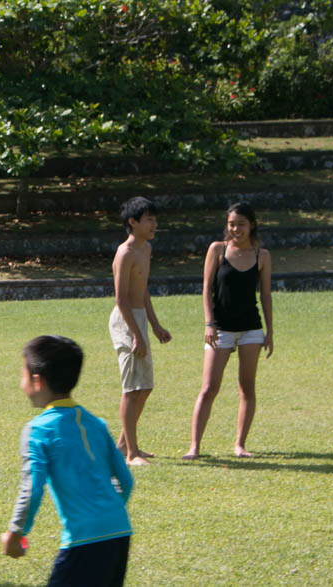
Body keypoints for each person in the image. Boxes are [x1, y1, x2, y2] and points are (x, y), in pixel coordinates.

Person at [1, 335, 134, 586]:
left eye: (22, 375)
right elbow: (125, 480)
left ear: (37, 381)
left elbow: (31, 489)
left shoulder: (38, 430)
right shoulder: (96, 423)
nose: (21, 383)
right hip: (120, 533)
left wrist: (16, 532)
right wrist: (108, 512)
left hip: (83, 541)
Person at [183, 202, 272, 460]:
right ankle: (194, 447)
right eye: (231, 224)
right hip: (220, 328)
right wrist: (209, 323)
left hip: (251, 330)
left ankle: (240, 445)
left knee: (247, 387)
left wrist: (270, 332)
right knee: (209, 388)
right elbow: (206, 288)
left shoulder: (262, 255)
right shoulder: (217, 250)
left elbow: (265, 295)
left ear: (251, 225)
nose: (235, 229)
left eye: (241, 224)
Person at [108, 197, 172, 465]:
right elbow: (120, 300)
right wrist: (135, 334)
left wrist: (155, 324)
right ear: (132, 222)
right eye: (149, 219)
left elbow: (143, 289)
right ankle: (131, 453)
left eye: (155, 220)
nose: (154, 224)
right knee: (131, 388)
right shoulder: (125, 253)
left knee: (145, 387)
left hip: (140, 319)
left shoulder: (146, 250)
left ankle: (124, 445)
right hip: (125, 322)